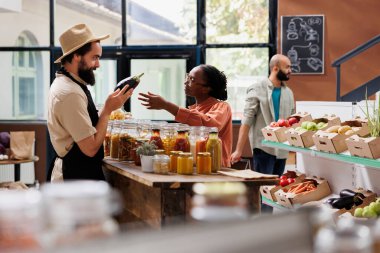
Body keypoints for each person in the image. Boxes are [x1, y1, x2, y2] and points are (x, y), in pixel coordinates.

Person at [47, 24, 133, 181]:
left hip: (77, 174)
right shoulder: (70, 92)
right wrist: (107, 110)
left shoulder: (69, 83)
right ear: (76, 56)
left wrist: (111, 107)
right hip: (73, 179)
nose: (98, 64)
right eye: (94, 58)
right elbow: (90, 148)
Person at [138, 64, 232, 167]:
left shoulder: (222, 106)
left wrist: (166, 105)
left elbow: (210, 125)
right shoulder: (193, 109)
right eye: (188, 77)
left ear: (206, 89)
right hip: (195, 165)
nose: (185, 82)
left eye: (192, 79)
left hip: (216, 168)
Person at [230, 54, 295, 177]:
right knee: (262, 187)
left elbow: (291, 121)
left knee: (275, 188)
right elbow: (247, 121)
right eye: (287, 67)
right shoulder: (256, 89)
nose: (290, 71)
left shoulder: (289, 93)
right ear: (275, 68)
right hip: (263, 147)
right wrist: (239, 150)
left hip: (282, 149)